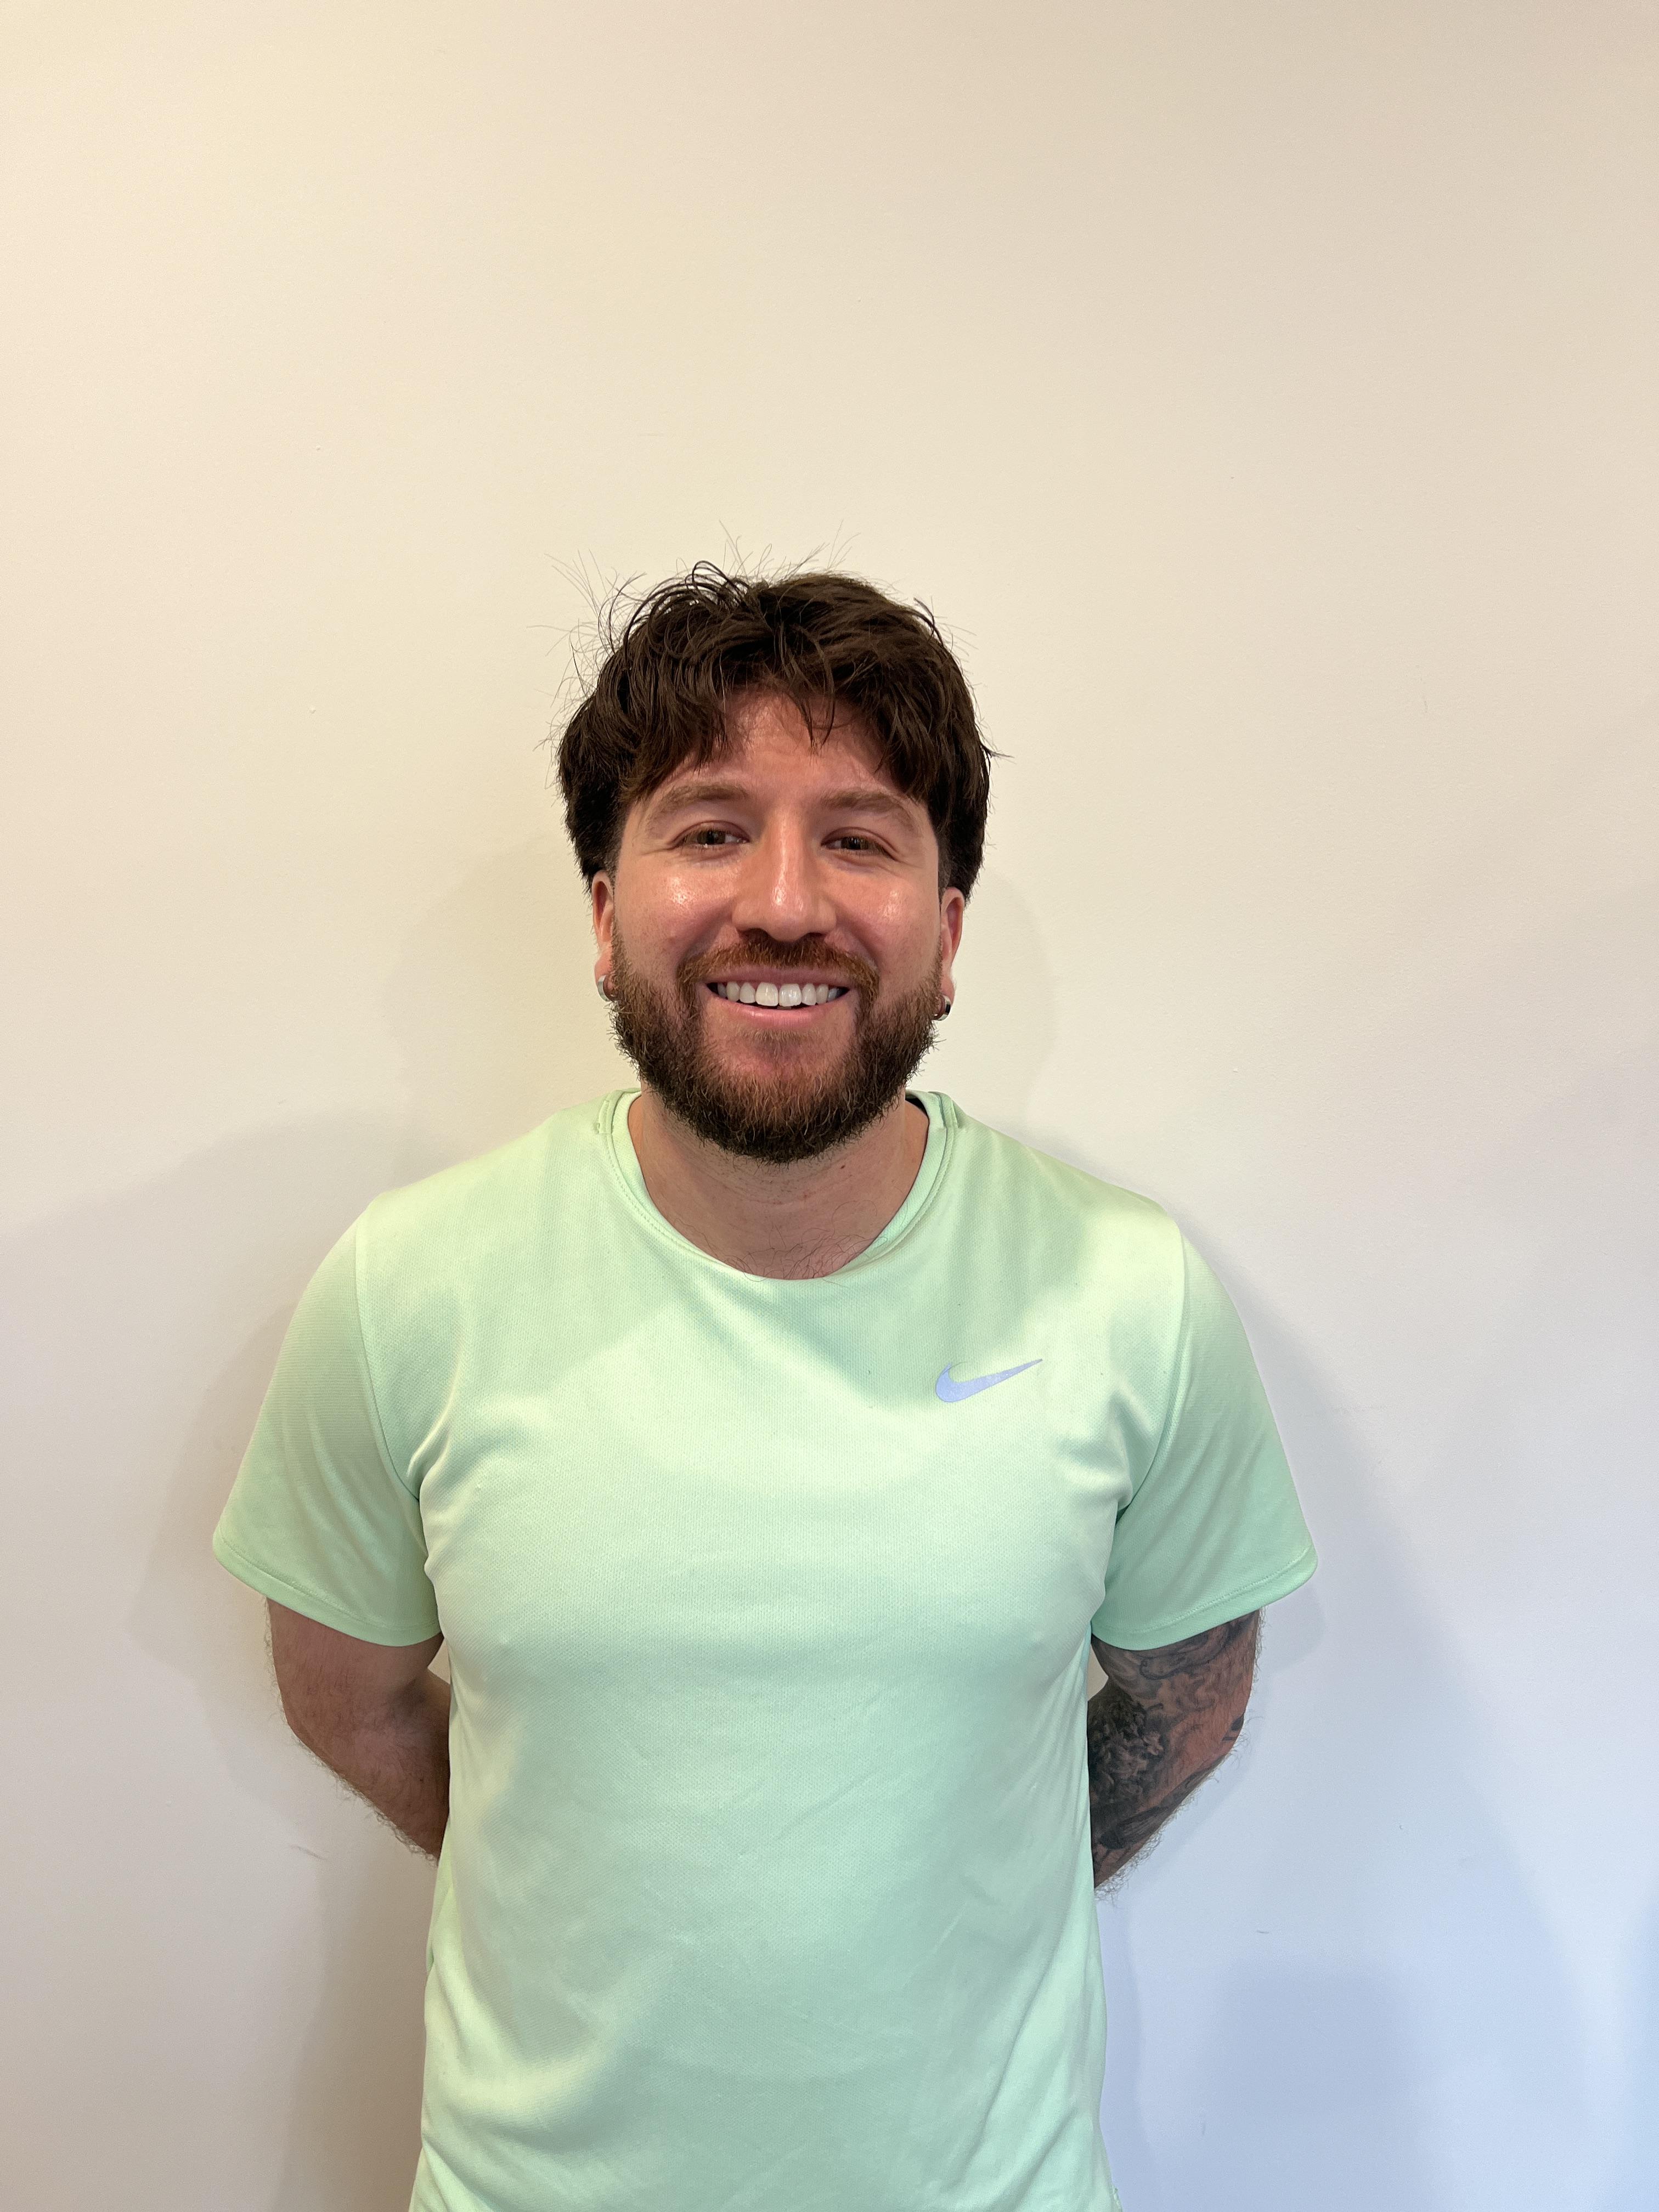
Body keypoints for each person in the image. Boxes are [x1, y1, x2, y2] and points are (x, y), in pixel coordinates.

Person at [212, 564, 1317, 2212]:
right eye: (712, 828)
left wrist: (956, 1887)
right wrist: (575, 1856)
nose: (786, 902)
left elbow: (1189, 1703)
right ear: (606, 915)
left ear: (947, 934)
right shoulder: (407, 1289)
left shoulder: (1128, 1293)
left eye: (860, 838)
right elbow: (347, 1695)